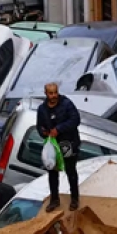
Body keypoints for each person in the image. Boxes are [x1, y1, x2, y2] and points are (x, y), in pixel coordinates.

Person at [37, 82, 81, 212]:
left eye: (55, 92)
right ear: (46, 94)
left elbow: (75, 120)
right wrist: (43, 132)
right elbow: (39, 125)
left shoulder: (67, 104)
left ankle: (74, 198)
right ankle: (54, 199)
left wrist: (59, 129)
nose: (54, 96)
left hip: (68, 143)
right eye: (51, 93)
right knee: (52, 172)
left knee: (71, 171)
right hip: (53, 145)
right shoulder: (42, 109)